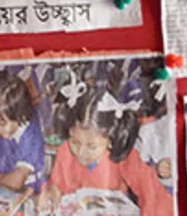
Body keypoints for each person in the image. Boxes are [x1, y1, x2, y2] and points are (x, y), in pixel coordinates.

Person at [40, 81, 172, 216]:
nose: (81, 152)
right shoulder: (65, 150)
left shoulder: (124, 155)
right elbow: (56, 185)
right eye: (75, 142)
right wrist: (51, 191)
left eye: (92, 146)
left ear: (110, 140)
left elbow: (153, 195)